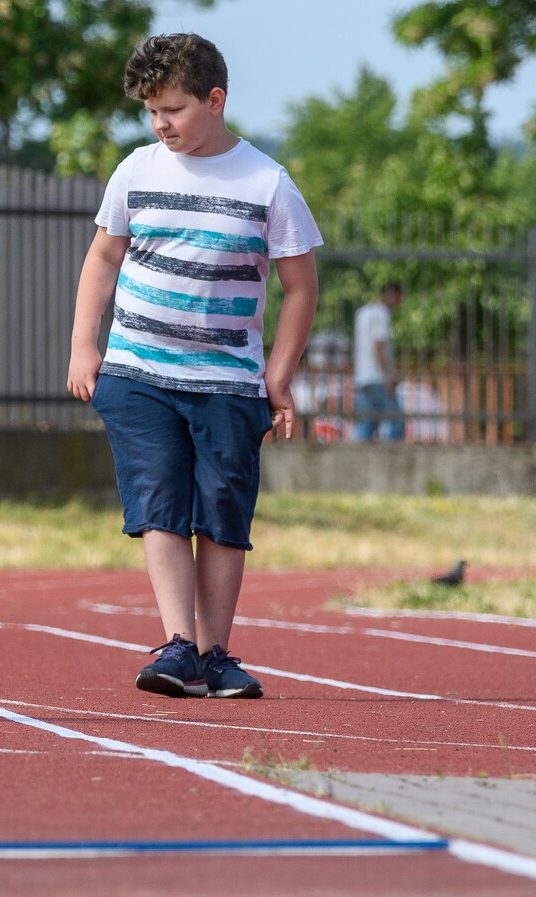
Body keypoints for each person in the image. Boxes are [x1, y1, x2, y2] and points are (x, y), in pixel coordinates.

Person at [65, 33, 321, 699]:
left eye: (173, 109)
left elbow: (301, 287)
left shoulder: (268, 183)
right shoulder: (136, 171)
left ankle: (215, 655)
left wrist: (278, 375)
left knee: (223, 513)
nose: (161, 124)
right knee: (160, 506)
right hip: (137, 375)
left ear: (215, 100)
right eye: (151, 111)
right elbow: (103, 257)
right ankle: (179, 644)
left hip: (229, 382)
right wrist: (84, 345)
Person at [352, 282, 404, 442]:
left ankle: (358, 455)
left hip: (362, 376)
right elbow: (378, 346)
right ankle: (393, 454)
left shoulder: (362, 312)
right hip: (377, 377)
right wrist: (388, 376)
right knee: (396, 420)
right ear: (391, 294)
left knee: (367, 422)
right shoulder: (381, 313)